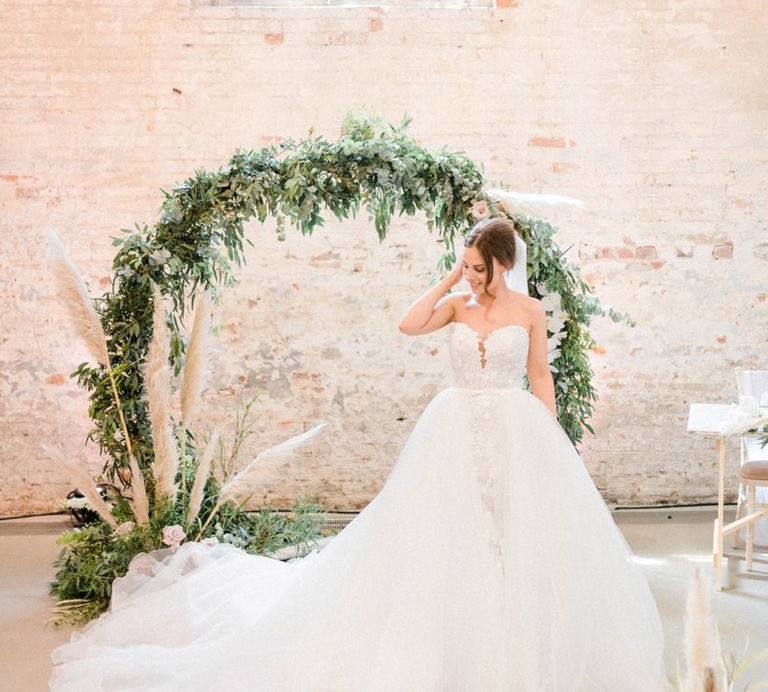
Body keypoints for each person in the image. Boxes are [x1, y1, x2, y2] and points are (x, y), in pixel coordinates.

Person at [50, 217, 668, 691]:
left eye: (481, 267)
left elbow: (540, 376)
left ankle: (511, 628)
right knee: (448, 526)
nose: (474, 276)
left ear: (505, 263)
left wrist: (551, 438)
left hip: (513, 424)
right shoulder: (456, 303)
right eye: (469, 266)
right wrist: (452, 278)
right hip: (454, 426)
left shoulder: (529, 311)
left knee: (509, 523)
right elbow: (408, 323)